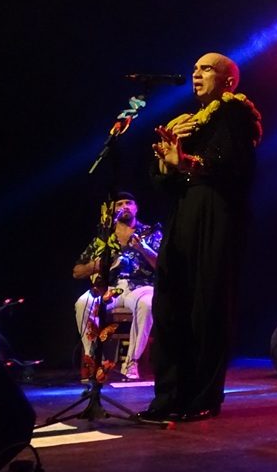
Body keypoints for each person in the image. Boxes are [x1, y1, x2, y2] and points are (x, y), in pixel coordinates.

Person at [137, 52, 262, 423]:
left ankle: (203, 396)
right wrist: (166, 162)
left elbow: (236, 168)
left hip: (217, 214)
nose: (196, 73)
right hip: (184, 213)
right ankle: (168, 396)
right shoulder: (185, 122)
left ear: (228, 80)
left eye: (206, 68)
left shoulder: (234, 113)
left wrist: (188, 163)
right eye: (194, 68)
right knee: (170, 305)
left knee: (206, 307)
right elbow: (164, 180)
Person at [72, 191, 161, 380]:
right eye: (119, 204)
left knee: (147, 303)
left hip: (140, 287)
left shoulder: (150, 232)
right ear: (113, 210)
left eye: (129, 202)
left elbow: (165, 266)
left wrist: (143, 248)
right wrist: (97, 265)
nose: (124, 207)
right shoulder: (103, 238)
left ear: (136, 207)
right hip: (109, 289)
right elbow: (77, 271)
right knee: (83, 303)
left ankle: (131, 363)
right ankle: (93, 358)